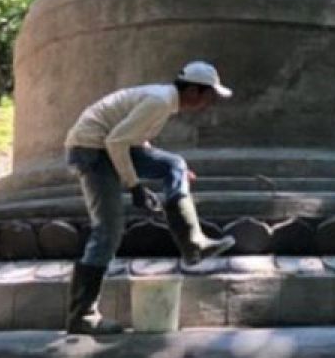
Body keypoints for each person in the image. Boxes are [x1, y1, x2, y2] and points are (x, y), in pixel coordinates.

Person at [62, 60, 237, 335]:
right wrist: (135, 188)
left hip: (107, 144)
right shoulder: (159, 101)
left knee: (174, 164)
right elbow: (115, 142)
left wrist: (171, 170)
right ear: (192, 90)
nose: (209, 103)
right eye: (208, 95)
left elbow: (134, 139)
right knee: (108, 231)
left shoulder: (164, 102)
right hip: (91, 149)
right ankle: (81, 315)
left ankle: (193, 243)